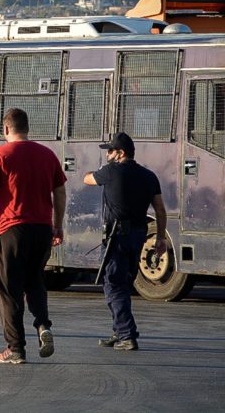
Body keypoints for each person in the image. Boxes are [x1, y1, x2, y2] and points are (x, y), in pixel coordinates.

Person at [0, 108, 66, 364]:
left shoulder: (0, 155)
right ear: (27, 127)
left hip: (12, 231)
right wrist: (57, 225)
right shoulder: (48, 155)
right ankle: (43, 325)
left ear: (6, 129)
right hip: (42, 229)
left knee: (9, 290)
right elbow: (60, 193)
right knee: (35, 282)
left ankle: (15, 348)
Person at [83, 132, 167, 351]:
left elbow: (87, 178)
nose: (108, 154)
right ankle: (118, 331)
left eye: (110, 151)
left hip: (116, 238)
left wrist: (100, 169)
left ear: (120, 153)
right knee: (124, 283)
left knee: (113, 284)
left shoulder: (110, 172)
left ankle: (126, 335)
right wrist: (159, 237)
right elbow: (160, 209)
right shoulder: (149, 176)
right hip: (138, 236)